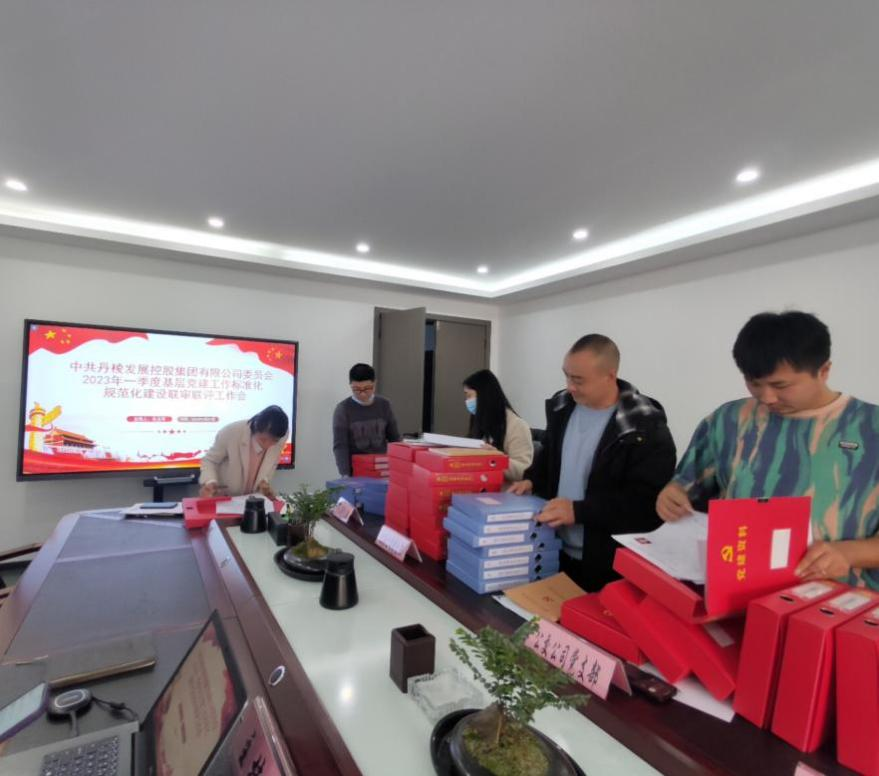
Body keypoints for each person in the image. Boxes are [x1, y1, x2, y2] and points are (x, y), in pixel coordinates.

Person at [656, 311, 879, 590]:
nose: (767, 398)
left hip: (838, 599)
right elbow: (688, 486)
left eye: (780, 385)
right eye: (754, 383)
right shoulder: (729, 421)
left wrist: (849, 553)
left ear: (823, 371)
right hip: (737, 589)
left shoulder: (870, 428)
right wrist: (672, 494)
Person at [509, 334, 676, 591]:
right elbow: (551, 454)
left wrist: (579, 511)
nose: (570, 387)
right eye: (566, 376)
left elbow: (645, 505)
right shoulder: (563, 407)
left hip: (607, 563)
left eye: (578, 380)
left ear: (610, 376)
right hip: (553, 549)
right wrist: (533, 480)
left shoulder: (643, 425)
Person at [199, 405, 289, 499]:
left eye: (274, 441)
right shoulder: (232, 432)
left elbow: (272, 463)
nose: (268, 445)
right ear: (255, 427)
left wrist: (264, 481)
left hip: (252, 499)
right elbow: (210, 460)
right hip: (225, 497)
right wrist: (210, 481)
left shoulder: (282, 436)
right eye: (263, 440)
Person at [463, 369, 534, 482]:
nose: (467, 401)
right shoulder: (479, 422)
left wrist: (495, 459)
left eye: (469, 396)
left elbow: (524, 471)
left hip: (504, 490)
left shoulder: (517, 426)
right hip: (479, 485)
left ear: (484, 395)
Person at [332, 363, 401, 476]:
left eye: (368, 388)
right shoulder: (343, 409)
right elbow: (340, 446)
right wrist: (345, 475)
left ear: (374, 383)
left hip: (382, 468)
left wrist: (399, 469)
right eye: (357, 389)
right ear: (350, 385)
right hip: (356, 472)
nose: (363, 394)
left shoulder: (384, 405)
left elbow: (395, 439)